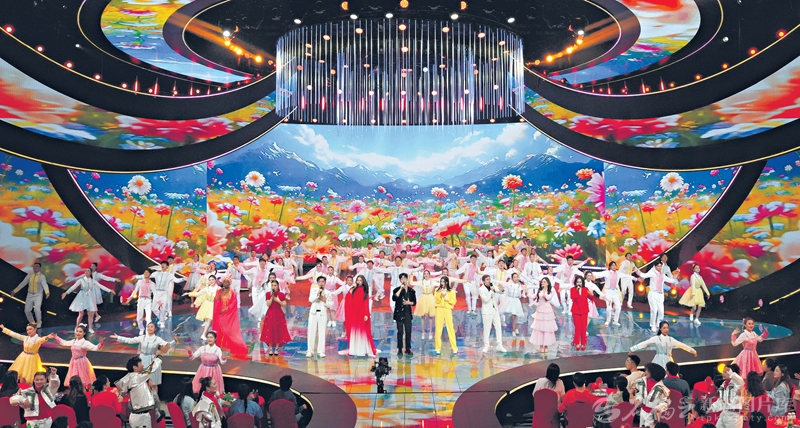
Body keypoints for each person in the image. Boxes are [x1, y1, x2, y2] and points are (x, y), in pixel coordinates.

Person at [111, 322, 173, 392]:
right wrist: (118, 337)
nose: (149, 328)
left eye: (151, 327)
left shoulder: (157, 339)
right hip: (142, 360)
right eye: (148, 326)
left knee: (153, 384)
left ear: (155, 329)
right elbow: (131, 340)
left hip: (152, 360)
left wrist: (175, 341)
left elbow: (167, 345)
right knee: (141, 382)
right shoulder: (142, 337)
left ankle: (154, 397)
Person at [117, 349, 167, 428]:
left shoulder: (128, 378)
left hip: (137, 416)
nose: (143, 365)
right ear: (135, 367)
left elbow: (122, 391)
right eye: (140, 363)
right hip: (141, 417)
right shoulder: (137, 378)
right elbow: (151, 369)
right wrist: (160, 356)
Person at [61, 268, 115, 333]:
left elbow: (101, 286)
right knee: (81, 314)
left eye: (88, 271)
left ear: (90, 273)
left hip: (90, 297)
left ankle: (90, 328)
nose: (86, 272)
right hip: (82, 297)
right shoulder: (81, 280)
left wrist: (109, 290)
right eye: (85, 270)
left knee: (90, 314)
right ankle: (77, 327)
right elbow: (73, 287)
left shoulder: (93, 281)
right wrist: (66, 293)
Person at [629, 321, 697, 368]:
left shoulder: (671, 339)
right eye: (664, 328)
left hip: (669, 360)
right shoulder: (657, 338)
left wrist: (693, 351)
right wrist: (633, 348)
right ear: (660, 329)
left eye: (667, 328)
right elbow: (645, 343)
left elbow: (682, 345)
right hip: (658, 360)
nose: (666, 329)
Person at [635, 262, 679, 332]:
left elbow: (670, 280)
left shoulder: (663, 275)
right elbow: (644, 275)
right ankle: (653, 325)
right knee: (654, 310)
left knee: (661, 311)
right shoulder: (652, 273)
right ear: (655, 267)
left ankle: (658, 324)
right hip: (653, 294)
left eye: (660, 266)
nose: (659, 267)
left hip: (660, 295)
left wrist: (676, 275)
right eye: (658, 266)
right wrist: (636, 270)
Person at [212, 278, 249, 356]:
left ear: (230, 283)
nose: (225, 283)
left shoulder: (232, 292)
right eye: (224, 282)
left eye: (227, 282)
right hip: (220, 314)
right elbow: (216, 301)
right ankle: (220, 346)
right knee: (220, 330)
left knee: (228, 331)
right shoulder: (219, 291)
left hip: (228, 315)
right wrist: (219, 299)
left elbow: (234, 303)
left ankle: (229, 346)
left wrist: (226, 308)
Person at [343, 275, 376, 357]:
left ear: (363, 281)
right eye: (358, 280)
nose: (359, 282)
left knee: (362, 331)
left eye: (360, 280)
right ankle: (354, 350)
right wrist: (352, 289)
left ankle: (363, 350)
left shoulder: (365, 290)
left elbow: (366, 303)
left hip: (362, 312)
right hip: (354, 313)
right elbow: (348, 297)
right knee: (354, 330)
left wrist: (366, 314)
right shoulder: (354, 289)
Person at [632, 363, 671, 428]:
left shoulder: (663, 389)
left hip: (654, 416)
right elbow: (638, 394)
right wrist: (638, 400)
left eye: (647, 370)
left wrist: (656, 409)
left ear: (653, 372)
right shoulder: (640, 382)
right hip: (642, 412)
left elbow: (665, 403)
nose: (645, 372)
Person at [12, 262, 50, 328]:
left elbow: (44, 284)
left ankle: (39, 322)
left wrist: (47, 292)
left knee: (37, 310)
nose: (35, 268)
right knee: (27, 310)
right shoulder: (29, 275)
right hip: (29, 294)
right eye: (34, 266)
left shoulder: (42, 276)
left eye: (37, 266)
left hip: (38, 295)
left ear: (39, 268)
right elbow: (23, 283)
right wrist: (15, 291)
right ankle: (32, 322)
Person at [260, 280, 292, 356]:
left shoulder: (281, 294)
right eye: (272, 285)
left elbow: (284, 304)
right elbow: (268, 304)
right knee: (270, 330)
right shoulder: (268, 294)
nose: (273, 287)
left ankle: (277, 349)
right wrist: (272, 296)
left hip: (278, 314)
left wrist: (278, 300)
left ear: (278, 286)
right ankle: (270, 348)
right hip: (270, 314)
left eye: (275, 285)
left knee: (278, 330)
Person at [709, 363, 744, 428]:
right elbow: (721, 400)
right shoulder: (724, 384)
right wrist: (712, 408)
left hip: (734, 416)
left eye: (725, 372)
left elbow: (740, 382)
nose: (723, 374)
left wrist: (731, 373)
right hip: (725, 413)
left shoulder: (736, 384)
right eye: (723, 372)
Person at [478, 275, 507, 353]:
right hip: (487, 311)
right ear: (483, 281)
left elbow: (499, 291)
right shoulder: (481, 289)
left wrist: (502, 290)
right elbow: (485, 300)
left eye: (489, 279)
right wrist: (491, 291)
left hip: (495, 310)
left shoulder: (492, 285)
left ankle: (499, 345)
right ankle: (486, 345)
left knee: (498, 327)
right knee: (487, 329)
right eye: (487, 279)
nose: (489, 281)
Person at [184, 273, 218, 339]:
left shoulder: (218, 289)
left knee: (211, 320)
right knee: (209, 320)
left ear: (215, 280)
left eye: (212, 279)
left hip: (215, 305)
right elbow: (198, 293)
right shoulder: (207, 288)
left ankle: (211, 331)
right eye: (210, 280)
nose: (211, 281)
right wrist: (188, 293)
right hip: (207, 305)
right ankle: (203, 334)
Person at [306, 276, 333, 358]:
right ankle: (310, 351)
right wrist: (318, 295)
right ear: (317, 283)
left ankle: (321, 351)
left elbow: (330, 304)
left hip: (322, 314)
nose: (321, 283)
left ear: (325, 283)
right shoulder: (314, 291)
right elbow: (310, 299)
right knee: (311, 332)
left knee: (322, 333)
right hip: (313, 313)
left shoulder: (328, 292)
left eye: (323, 281)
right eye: (320, 281)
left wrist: (324, 300)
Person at [530, 277, 558, 354]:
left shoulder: (551, 291)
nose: (543, 283)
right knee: (540, 328)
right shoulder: (539, 290)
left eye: (544, 282)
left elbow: (548, 298)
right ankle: (541, 344)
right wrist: (526, 291)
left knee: (546, 328)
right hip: (540, 310)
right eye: (542, 282)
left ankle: (546, 345)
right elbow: (533, 296)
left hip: (547, 310)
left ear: (548, 283)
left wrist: (545, 290)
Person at [392, 273, 417, 357]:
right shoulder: (396, 290)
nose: (403, 280)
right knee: (400, 332)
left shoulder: (411, 291)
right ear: (400, 280)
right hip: (399, 313)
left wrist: (409, 303)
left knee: (408, 331)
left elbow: (414, 302)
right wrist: (400, 289)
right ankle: (399, 349)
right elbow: (394, 298)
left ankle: (408, 348)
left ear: (407, 279)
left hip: (407, 313)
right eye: (401, 279)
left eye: (404, 278)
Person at [125, 270, 155, 335]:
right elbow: (135, 290)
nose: (145, 273)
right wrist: (130, 298)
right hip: (141, 300)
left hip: (148, 300)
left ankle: (148, 331)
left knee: (148, 318)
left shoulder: (152, 284)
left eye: (147, 272)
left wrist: (159, 302)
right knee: (139, 318)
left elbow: (155, 293)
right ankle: (141, 329)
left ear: (150, 274)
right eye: (144, 272)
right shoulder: (140, 282)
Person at [434, 276, 458, 355]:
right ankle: (438, 348)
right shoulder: (437, 290)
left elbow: (453, 302)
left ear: (447, 282)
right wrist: (440, 296)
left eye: (443, 282)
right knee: (438, 329)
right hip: (439, 310)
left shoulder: (451, 292)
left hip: (447, 310)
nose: (442, 283)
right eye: (441, 281)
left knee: (450, 328)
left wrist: (446, 297)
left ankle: (454, 348)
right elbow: (436, 300)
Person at [411, 270, 437, 340]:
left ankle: (430, 332)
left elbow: (440, 284)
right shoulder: (421, 282)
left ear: (429, 275)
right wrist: (411, 275)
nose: (426, 275)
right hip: (423, 298)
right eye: (425, 274)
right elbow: (412, 283)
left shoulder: (432, 282)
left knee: (430, 316)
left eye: (427, 274)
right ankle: (423, 332)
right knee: (422, 316)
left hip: (430, 298)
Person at [570, 276, 593, 351]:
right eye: (577, 282)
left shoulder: (585, 289)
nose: (579, 283)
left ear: (582, 282)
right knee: (577, 327)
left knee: (583, 327)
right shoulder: (573, 289)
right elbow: (573, 297)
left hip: (584, 311)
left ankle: (583, 343)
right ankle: (577, 343)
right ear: (575, 283)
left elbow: (591, 298)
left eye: (580, 282)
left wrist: (591, 294)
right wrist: (577, 291)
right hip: (576, 311)